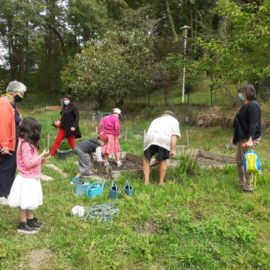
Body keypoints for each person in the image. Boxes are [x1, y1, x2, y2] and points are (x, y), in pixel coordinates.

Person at [8, 117, 50, 234]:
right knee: (24, 202)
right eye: (37, 129)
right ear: (31, 130)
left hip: (32, 177)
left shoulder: (29, 143)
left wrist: (41, 160)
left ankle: (30, 220)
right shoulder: (25, 144)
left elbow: (32, 160)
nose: (38, 132)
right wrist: (40, 156)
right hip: (26, 178)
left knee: (30, 200)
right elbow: (27, 163)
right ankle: (22, 223)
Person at [0, 80, 27, 205]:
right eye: (21, 93)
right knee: (5, 168)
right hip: (6, 144)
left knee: (11, 168)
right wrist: (4, 144)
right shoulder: (4, 103)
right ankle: (2, 195)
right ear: (14, 92)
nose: (22, 96)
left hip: (14, 143)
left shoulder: (12, 104)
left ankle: (7, 192)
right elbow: (2, 125)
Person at [232, 84, 262, 192]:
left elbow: (253, 124)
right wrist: (235, 137)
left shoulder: (253, 106)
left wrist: (250, 139)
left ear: (247, 93)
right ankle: (242, 182)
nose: (240, 95)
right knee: (239, 161)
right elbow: (239, 122)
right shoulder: (245, 106)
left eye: (242, 92)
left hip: (248, 138)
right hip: (242, 137)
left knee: (248, 162)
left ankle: (249, 187)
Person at [143, 111, 181, 185]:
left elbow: (154, 139)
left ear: (163, 115)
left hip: (149, 137)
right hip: (163, 138)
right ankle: (161, 182)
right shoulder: (174, 121)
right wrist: (172, 150)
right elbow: (174, 136)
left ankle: (146, 182)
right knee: (163, 160)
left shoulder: (156, 119)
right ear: (172, 116)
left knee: (146, 159)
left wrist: (157, 157)